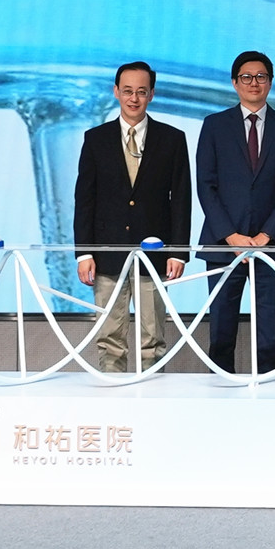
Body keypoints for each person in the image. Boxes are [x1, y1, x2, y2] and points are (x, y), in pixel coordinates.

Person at [72, 61, 192, 373]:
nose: (134, 98)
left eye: (141, 91)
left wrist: (178, 251)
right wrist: (84, 252)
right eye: (127, 91)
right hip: (107, 254)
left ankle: (152, 395)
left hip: (154, 256)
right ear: (116, 92)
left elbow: (181, 200)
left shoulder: (172, 139)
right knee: (109, 337)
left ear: (152, 94)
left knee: (153, 337)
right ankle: (113, 394)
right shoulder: (95, 139)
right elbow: (84, 200)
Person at [194, 50, 275, 374]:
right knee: (221, 333)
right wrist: (231, 236)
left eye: (261, 77)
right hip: (223, 245)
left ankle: (270, 396)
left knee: (270, 336)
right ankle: (219, 393)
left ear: (270, 82)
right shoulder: (214, 125)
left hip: (270, 246)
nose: (253, 82)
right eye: (246, 77)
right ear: (235, 83)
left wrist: (264, 235)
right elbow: (206, 185)